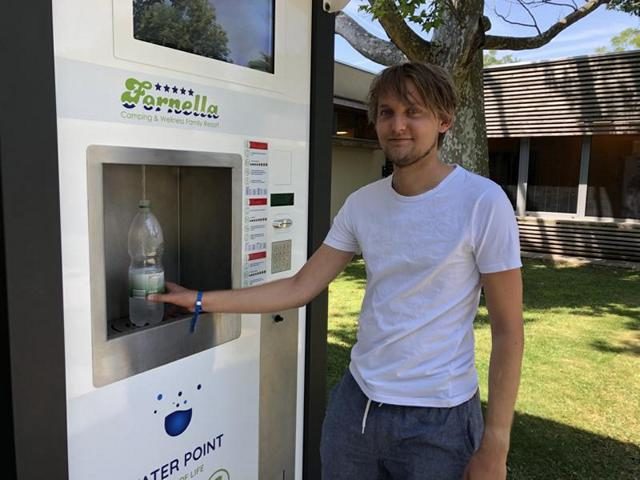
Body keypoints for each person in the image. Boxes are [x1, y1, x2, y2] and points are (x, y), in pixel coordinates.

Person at [150, 62, 524, 480]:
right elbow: (300, 285)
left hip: (439, 419)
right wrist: (200, 300)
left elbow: (509, 332)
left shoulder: (482, 202)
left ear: (444, 120)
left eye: (413, 112)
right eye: (387, 112)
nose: (397, 125)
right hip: (356, 408)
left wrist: (495, 445)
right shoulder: (363, 203)